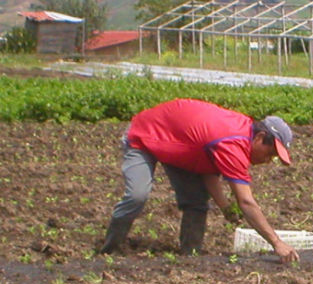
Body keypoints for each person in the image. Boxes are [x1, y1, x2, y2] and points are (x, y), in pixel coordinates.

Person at [100, 98, 300, 263]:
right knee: (137, 195)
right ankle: (109, 251)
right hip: (144, 136)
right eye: (270, 153)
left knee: (196, 200)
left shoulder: (238, 134)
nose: (267, 161)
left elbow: (207, 171)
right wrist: (276, 242)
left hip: (179, 147)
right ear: (260, 137)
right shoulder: (232, 143)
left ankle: (190, 259)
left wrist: (224, 206)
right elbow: (246, 202)